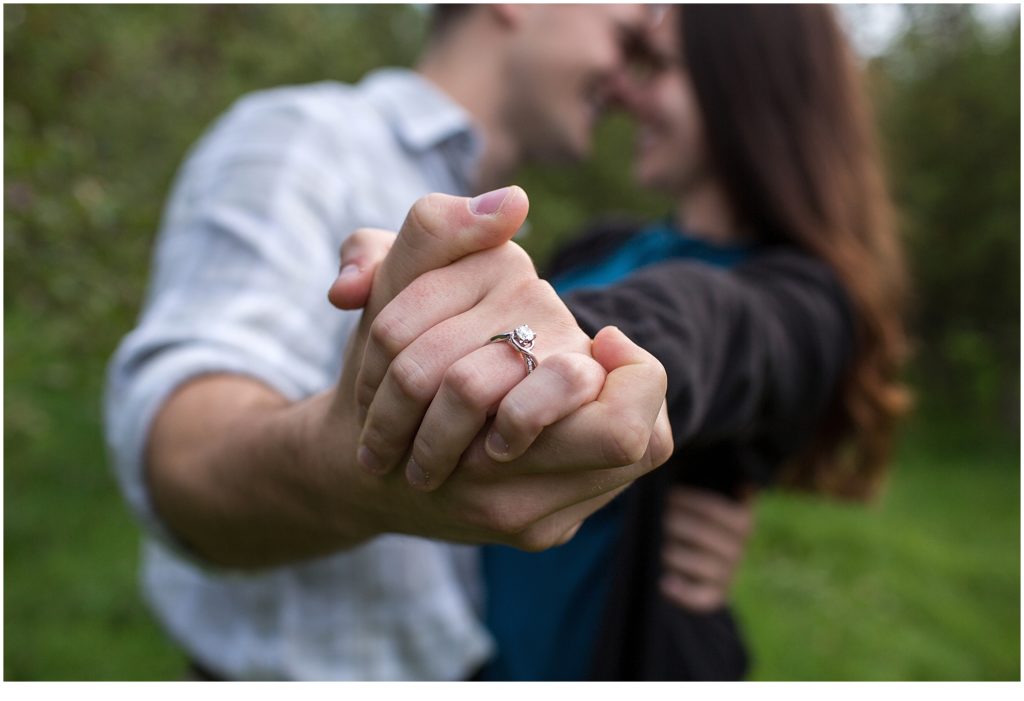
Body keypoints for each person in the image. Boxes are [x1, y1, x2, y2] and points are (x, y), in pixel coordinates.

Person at [103, 4, 750, 681]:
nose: (625, 87)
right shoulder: (306, 140)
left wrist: (674, 513)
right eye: (623, 39)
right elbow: (180, 452)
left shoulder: (503, 232)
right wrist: (350, 465)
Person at [333, 4, 910, 680]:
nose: (625, 92)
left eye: (658, 69)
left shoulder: (806, 301)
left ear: (744, 86)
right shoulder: (601, 245)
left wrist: (568, 339)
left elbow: (712, 329)